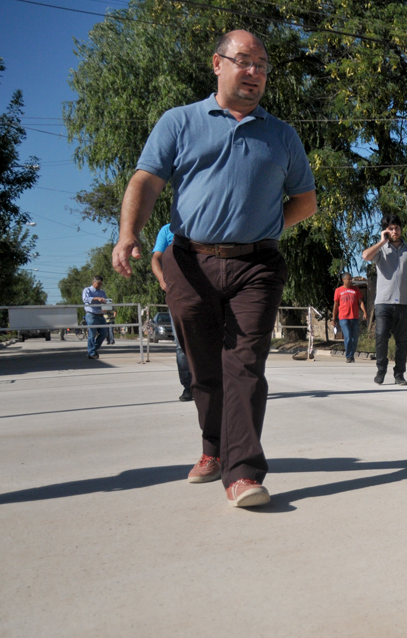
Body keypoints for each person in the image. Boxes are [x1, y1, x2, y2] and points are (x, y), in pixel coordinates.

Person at [111, 29, 318, 508]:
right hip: (189, 260)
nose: (255, 72)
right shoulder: (180, 122)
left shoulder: (281, 134)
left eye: (263, 65)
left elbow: (305, 201)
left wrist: (266, 225)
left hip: (257, 265)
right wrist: (129, 234)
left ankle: (244, 472)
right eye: (245, 61)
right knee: (204, 369)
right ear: (217, 64)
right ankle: (213, 448)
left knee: (245, 365)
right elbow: (146, 180)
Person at [363, 213, 407, 386]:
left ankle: (399, 374)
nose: (394, 231)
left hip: (405, 302)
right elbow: (365, 256)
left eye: (397, 227)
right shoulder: (380, 250)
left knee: (402, 341)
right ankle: (381, 370)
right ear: (386, 230)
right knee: (381, 336)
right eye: (390, 228)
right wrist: (382, 242)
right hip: (384, 302)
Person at [150, 223, 194, 401]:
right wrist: (162, 279)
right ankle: (188, 386)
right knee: (181, 344)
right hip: (178, 291)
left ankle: (211, 384)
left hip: (206, 289)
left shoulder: (203, 222)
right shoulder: (167, 230)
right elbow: (156, 258)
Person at [333, 272, 366, 363]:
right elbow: (335, 305)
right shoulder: (338, 290)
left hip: (354, 317)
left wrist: (365, 312)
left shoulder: (356, 289)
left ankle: (351, 354)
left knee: (354, 338)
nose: (350, 280)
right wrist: (333, 318)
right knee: (347, 337)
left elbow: (361, 302)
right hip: (343, 317)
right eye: (348, 279)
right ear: (343, 280)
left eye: (351, 278)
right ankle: (349, 356)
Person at [81, 275, 109, 359]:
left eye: (101, 284)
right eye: (98, 283)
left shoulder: (102, 292)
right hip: (91, 314)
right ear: (93, 282)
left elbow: (106, 302)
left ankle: (92, 350)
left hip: (100, 315)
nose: (100, 285)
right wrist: (96, 298)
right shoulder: (87, 290)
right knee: (92, 334)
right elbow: (85, 299)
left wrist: (106, 306)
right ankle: (92, 352)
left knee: (104, 333)